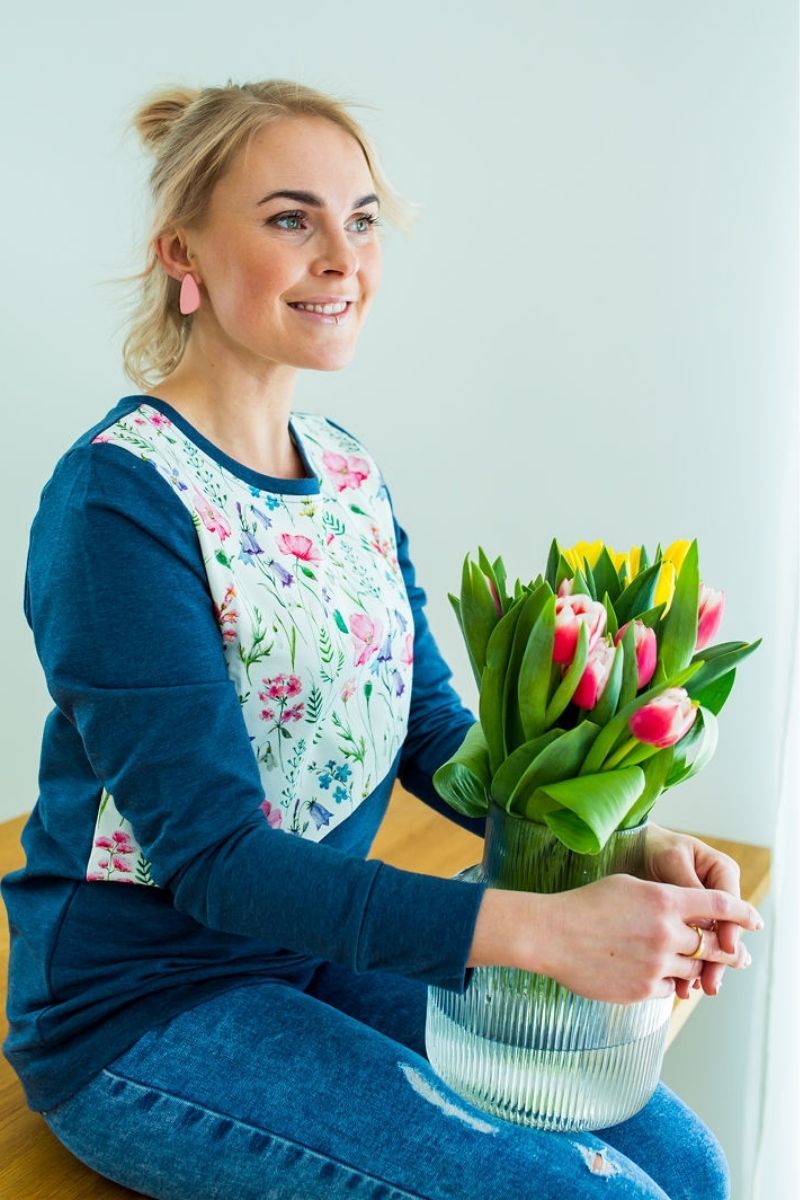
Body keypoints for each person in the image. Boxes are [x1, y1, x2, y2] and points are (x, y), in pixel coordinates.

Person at [1, 79, 763, 1200]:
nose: (341, 258)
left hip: (317, 952)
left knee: (685, 1168)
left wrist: (616, 848)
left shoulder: (346, 470)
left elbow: (430, 730)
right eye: (289, 218)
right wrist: (538, 931)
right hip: (145, 1010)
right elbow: (216, 861)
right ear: (182, 251)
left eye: (360, 220)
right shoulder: (117, 504)